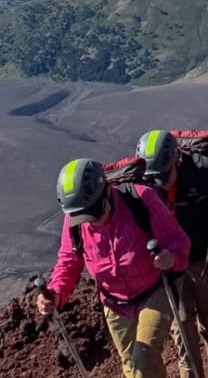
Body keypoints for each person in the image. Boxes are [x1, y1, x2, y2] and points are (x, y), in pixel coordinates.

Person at [38, 157, 191, 378]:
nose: (89, 221)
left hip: (154, 292)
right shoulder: (75, 220)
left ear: (106, 193)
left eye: (93, 212)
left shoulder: (141, 198)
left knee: (144, 359)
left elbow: (179, 241)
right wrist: (56, 292)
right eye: (82, 216)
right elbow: (69, 260)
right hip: (114, 301)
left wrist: (171, 257)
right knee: (131, 367)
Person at [137, 129, 208, 378]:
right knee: (182, 326)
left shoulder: (204, 170)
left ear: (178, 160)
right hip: (171, 264)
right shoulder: (146, 184)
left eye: (165, 175)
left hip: (203, 256)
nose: (162, 183)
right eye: (156, 178)